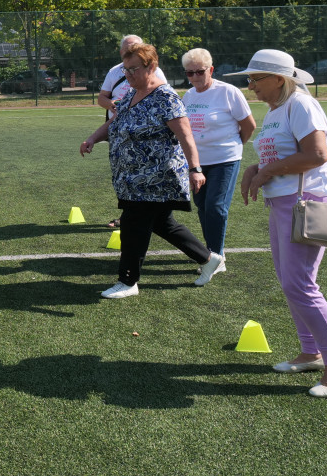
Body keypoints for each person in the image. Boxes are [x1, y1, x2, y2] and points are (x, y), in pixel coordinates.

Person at [226, 49, 327, 398]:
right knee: (290, 281)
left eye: (255, 79)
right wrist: (257, 168)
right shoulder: (276, 110)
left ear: (279, 80)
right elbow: (281, 156)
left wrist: (266, 170)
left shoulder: (300, 104)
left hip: (307, 204)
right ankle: (311, 351)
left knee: (300, 284)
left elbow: (316, 154)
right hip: (284, 204)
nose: (250, 86)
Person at [79, 43, 223, 298]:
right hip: (131, 177)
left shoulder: (165, 97)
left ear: (152, 66)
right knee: (162, 223)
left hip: (156, 177)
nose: (128, 75)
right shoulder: (130, 95)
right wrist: (92, 138)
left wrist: (196, 169)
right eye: (125, 70)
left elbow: (186, 136)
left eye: (134, 69)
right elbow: (114, 122)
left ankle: (128, 281)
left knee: (133, 225)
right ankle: (208, 259)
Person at [181, 48, 256, 281]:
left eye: (199, 72)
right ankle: (209, 252)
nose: (194, 77)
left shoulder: (228, 92)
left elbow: (249, 126)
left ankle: (217, 257)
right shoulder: (188, 96)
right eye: (189, 73)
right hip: (196, 163)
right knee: (202, 206)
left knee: (216, 206)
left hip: (225, 159)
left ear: (210, 70)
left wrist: (234, 147)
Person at [97, 34, 168, 228]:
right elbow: (101, 98)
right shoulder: (114, 72)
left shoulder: (156, 73)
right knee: (123, 173)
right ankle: (129, 215)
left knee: (145, 172)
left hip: (146, 133)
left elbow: (166, 99)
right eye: (128, 48)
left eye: (136, 47)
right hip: (119, 129)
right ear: (121, 52)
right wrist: (111, 104)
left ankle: (145, 215)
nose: (132, 50)